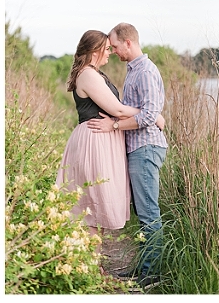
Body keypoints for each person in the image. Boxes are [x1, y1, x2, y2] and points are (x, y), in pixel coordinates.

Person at [56, 30, 159, 256]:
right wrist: (154, 115)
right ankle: (90, 266)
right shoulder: (88, 75)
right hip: (94, 141)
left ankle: (94, 265)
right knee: (91, 206)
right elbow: (117, 110)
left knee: (96, 205)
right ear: (95, 50)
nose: (110, 53)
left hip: (102, 140)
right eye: (107, 48)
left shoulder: (94, 73)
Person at [87, 22, 168, 289]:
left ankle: (152, 277)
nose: (114, 51)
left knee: (149, 214)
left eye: (116, 46)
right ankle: (142, 268)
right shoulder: (133, 70)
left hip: (146, 148)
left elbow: (146, 116)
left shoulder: (144, 71)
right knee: (143, 212)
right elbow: (146, 112)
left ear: (129, 43)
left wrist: (114, 125)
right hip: (138, 148)